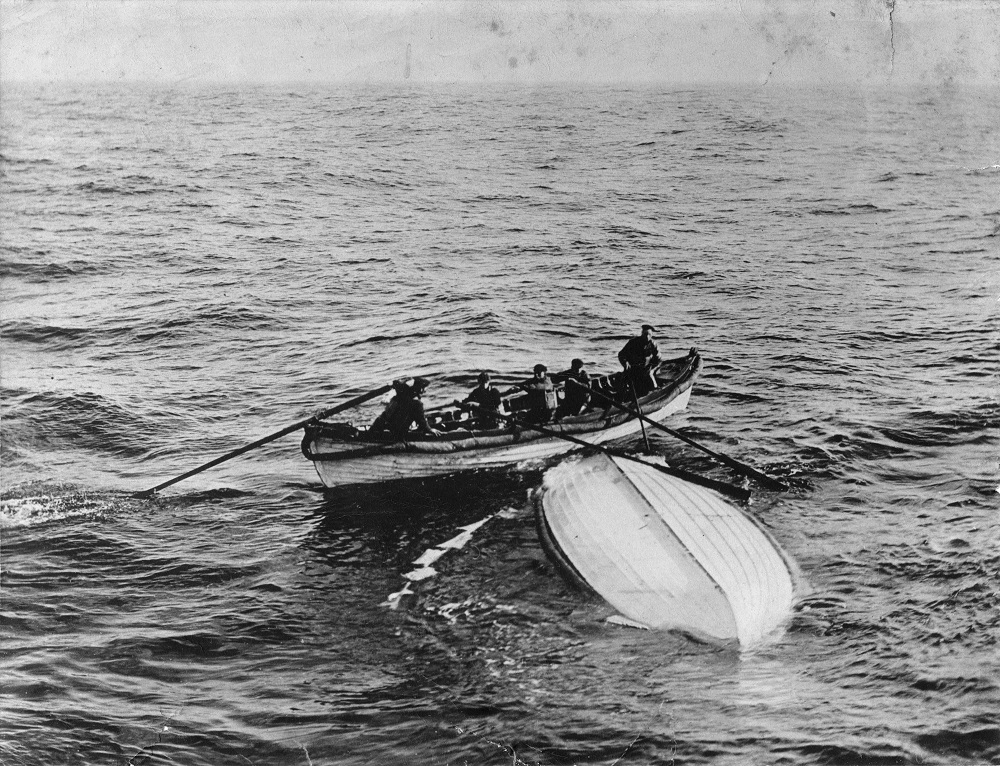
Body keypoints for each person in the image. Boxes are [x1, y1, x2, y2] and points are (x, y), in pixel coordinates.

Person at [370, 377, 440, 438]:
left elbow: (398, 385)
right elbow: (421, 420)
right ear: (420, 389)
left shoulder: (401, 395)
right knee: (418, 416)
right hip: (399, 432)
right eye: (424, 388)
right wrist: (430, 429)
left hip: (383, 424)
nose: (425, 390)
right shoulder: (416, 403)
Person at [617, 324, 662, 397]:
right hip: (633, 369)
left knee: (652, 384)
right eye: (645, 334)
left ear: (651, 335)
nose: (647, 337)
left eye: (649, 335)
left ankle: (653, 393)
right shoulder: (633, 342)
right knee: (622, 384)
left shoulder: (653, 345)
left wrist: (652, 370)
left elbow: (659, 361)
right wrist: (625, 363)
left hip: (646, 370)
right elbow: (621, 354)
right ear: (642, 334)